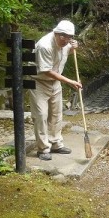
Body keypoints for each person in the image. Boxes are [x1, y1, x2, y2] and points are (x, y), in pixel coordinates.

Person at [29, 20, 82, 161]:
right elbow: (47, 71)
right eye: (65, 38)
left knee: (57, 114)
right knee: (40, 115)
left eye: (70, 38)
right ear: (58, 34)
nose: (67, 41)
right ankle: (43, 148)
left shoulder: (66, 43)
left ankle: (56, 143)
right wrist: (70, 81)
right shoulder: (44, 45)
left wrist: (73, 48)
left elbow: (63, 55)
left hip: (55, 83)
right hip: (40, 82)